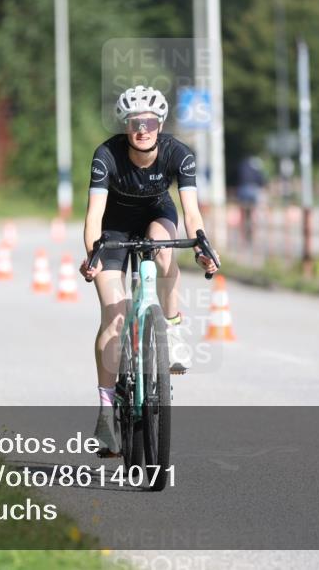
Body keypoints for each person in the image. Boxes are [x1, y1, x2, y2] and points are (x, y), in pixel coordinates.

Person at [80, 85, 219, 455]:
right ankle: (106, 413)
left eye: (150, 122)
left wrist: (202, 246)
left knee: (163, 250)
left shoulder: (179, 154)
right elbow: (93, 217)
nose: (142, 129)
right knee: (114, 317)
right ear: (126, 125)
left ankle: (172, 328)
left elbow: (192, 214)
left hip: (157, 216)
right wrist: (93, 255)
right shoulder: (106, 155)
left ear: (160, 124)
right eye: (135, 122)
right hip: (113, 228)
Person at [236, 155, 266, 243]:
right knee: (253, 212)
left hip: (242, 190)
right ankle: (253, 234)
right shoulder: (256, 167)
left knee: (243, 213)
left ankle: (243, 235)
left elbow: (237, 178)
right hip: (253, 190)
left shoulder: (242, 166)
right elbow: (261, 180)